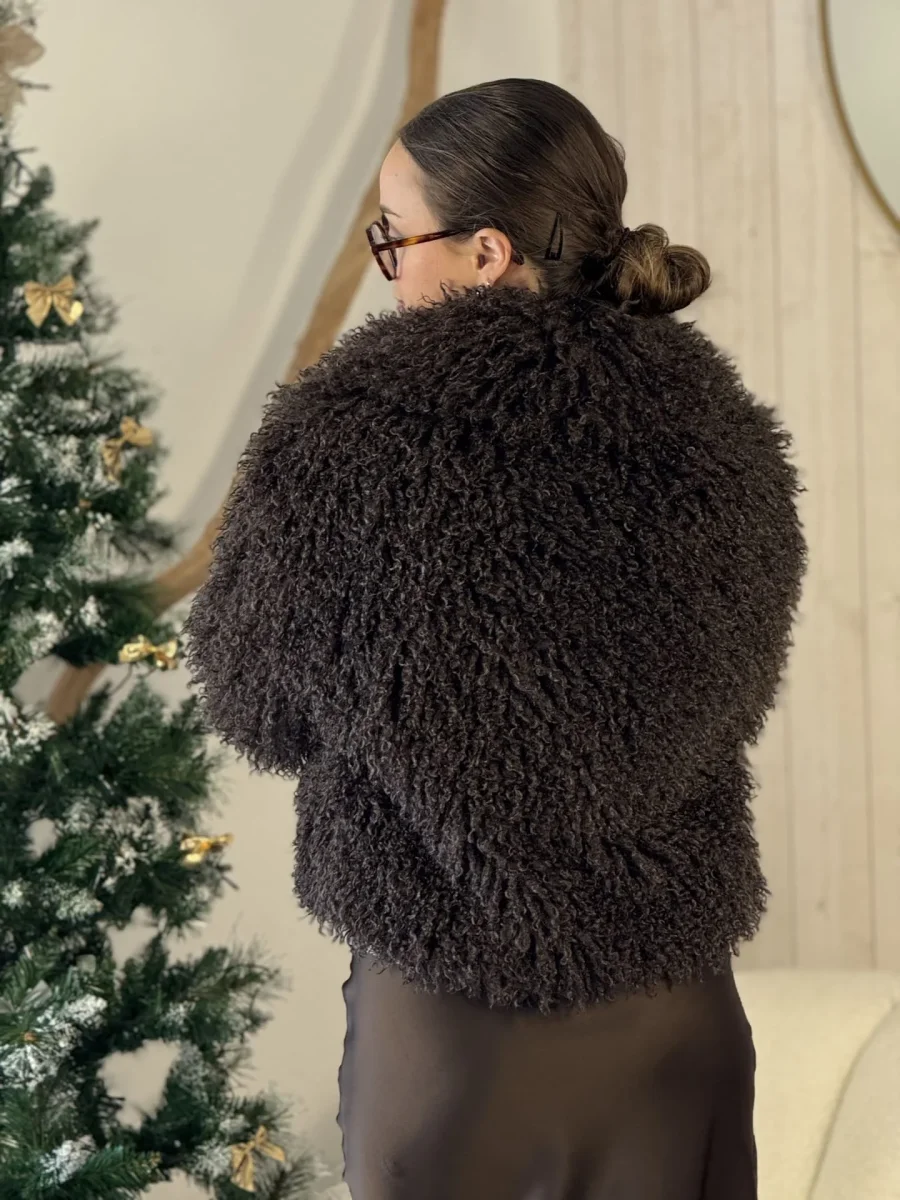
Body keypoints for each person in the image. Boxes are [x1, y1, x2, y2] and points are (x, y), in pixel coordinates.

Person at [184, 78, 807, 1199]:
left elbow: (251, 701)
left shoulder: (346, 437)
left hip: (451, 1033)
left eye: (394, 235)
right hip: (675, 1029)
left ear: (484, 252)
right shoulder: (725, 439)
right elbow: (739, 687)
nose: (389, 269)